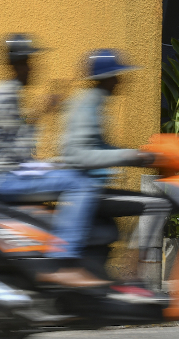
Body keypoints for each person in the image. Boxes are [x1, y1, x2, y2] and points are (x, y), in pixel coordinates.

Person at [0, 35, 108, 288]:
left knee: (62, 173)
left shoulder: (3, 92)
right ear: (18, 64)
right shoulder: (6, 95)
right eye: (29, 62)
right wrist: (43, 112)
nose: (33, 68)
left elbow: (15, 143)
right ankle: (64, 261)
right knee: (80, 183)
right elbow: (18, 150)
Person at [59, 49, 166, 283]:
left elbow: (100, 147)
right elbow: (77, 155)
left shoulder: (95, 102)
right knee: (156, 205)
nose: (120, 81)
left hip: (94, 189)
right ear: (107, 77)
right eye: (117, 75)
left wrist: (141, 156)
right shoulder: (87, 104)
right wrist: (130, 156)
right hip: (88, 191)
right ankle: (133, 277)